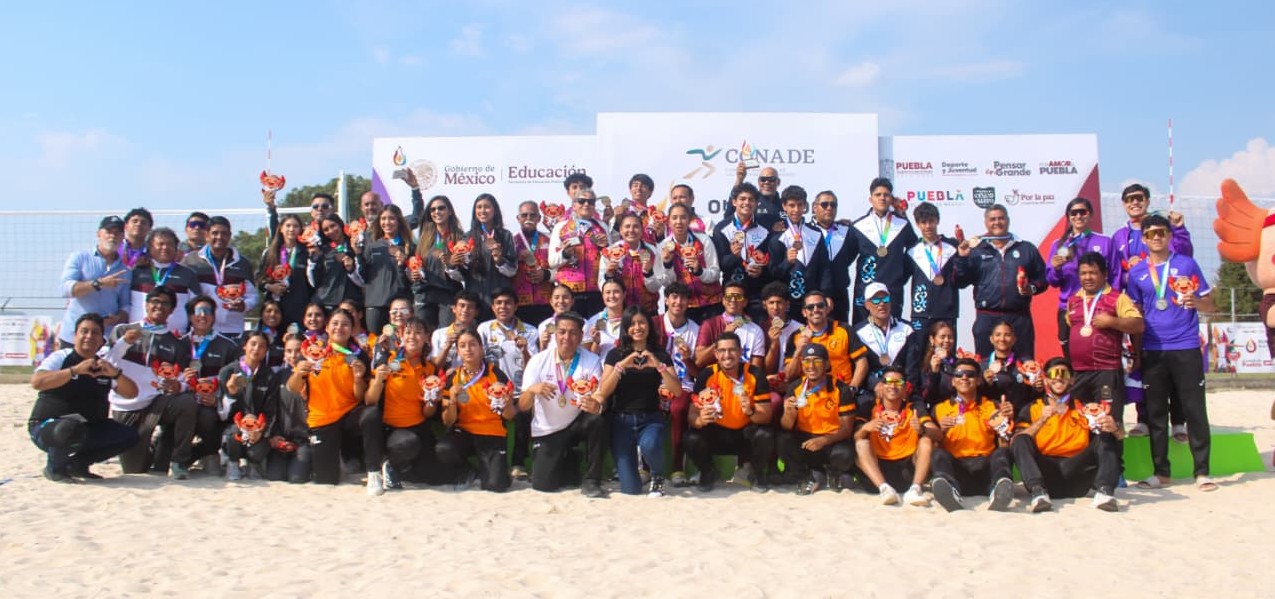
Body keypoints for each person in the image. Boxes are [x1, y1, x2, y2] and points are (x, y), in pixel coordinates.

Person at [1125, 214, 1216, 492]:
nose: (1156, 237)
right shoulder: (1138, 273)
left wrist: (1196, 301)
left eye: (1161, 232)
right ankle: (1161, 473)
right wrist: (1137, 354)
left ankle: (1202, 472)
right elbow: (1135, 317)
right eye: (1151, 233)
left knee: (1195, 410)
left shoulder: (1186, 264)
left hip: (1186, 346)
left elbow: (1210, 304)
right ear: (1144, 239)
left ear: (1169, 235)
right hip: (1153, 349)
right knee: (1155, 414)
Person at [1110, 183, 1192, 438]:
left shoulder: (1161, 226)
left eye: (1139, 198)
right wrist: (1129, 273)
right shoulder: (1119, 237)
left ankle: (1178, 421)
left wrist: (1179, 229)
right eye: (1129, 199)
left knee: (1175, 362)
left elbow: (1184, 256)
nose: (1134, 202)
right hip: (1137, 309)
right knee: (1142, 364)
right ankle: (1144, 419)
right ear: (1124, 204)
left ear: (1146, 200)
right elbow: (1114, 273)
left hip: (1167, 308)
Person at [28, 313, 140, 482]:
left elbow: (131, 393)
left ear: (101, 339)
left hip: (87, 428)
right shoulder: (62, 357)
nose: (89, 336)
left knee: (128, 435)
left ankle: (77, 464)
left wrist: (115, 374)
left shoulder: (103, 365)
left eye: (95, 333)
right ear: (75, 336)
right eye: (84, 331)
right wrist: (74, 371)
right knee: (67, 428)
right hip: (48, 426)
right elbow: (37, 382)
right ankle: (55, 469)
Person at [103, 286, 198, 479]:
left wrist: (179, 385)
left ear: (172, 310)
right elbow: (104, 363)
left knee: (186, 402)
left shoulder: (176, 342)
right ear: (146, 305)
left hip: (157, 403)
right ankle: (154, 445)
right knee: (135, 470)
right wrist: (124, 343)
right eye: (155, 302)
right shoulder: (122, 330)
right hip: (126, 406)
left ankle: (179, 460)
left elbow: (183, 378)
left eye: (165, 303)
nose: (159, 306)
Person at [285, 308, 384, 494]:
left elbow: (360, 397)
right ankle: (339, 459)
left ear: (352, 328)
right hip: (322, 420)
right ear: (327, 327)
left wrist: (357, 378)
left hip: (349, 416)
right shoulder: (311, 350)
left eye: (345, 324)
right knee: (326, 480)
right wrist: (299, 372)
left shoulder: (357, 355)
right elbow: (292, 388)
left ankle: (374, 472)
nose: (340, 328)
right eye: (335, 323)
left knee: (371, 414)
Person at [1011, 358, 1124, 512]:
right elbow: (1015, 441)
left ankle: (1105, 491)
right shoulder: (1033, 407)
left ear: (1072, 380)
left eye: (1063, 374)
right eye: (1052, 374)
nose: (1058, 377)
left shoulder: (1086, 408)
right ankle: (1038, 492)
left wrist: (1114, 429)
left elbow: (1121, 436)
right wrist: (1040, 421)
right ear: (1046, 379)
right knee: (1021, 439)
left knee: (1106, 435)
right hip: (1046, 474)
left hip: (1077, 472)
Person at [518, 312, 609, 497]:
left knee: (597, 421)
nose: (566, 337)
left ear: (581, 336)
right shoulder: (538, 361)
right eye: (562, 332)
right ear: (554, 334)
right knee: (543, 485)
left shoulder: (591, 360)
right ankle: (570, 459)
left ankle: (592, 480)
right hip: (548, 429)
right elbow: (522, 406)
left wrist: (596, 405)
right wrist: (532, 390)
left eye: (573, 333)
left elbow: (600, 398)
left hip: (576, 423)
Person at [595, 307, 682, 496]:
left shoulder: (660, 355)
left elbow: (677, 390)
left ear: (649, 326)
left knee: (650, 445)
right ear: (626, 328)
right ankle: (636, 478)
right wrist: (621, 367)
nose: (637, 327)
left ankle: (658, 476)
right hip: (621, 421)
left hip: (650, 418)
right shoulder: (615, 355)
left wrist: (659, 366)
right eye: (632, 324)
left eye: (642, 322)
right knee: (631, 489)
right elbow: (604, 391)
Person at [955, 204, 1047, 358]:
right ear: (986, 222)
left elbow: (1043, 278)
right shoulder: (976, 250)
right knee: (985, 368)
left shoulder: (1026, 248)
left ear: (1008, 220)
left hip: (1019, 317)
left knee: (1024, 366)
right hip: (987, 317)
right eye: (992, 219)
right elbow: (960, 282)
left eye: (1001, 218)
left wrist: (1031, 288)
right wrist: (963, 258)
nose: (997, 222)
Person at [686, 332, 775, 492]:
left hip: (745, 435)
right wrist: (700, 420)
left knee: (766, 435)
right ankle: (708, 472)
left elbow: (766, 416)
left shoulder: (754, 373)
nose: (727, 355)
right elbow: (692, 415)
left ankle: (757, 474)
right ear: (716, 354)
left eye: (732, 350)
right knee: (691, 438)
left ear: (740, 352)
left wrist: (750, 411)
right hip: (716, 433)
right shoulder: (707, 374)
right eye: (722, 351)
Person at [927, 357, 1015, 512]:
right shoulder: (939, 409)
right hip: (957, 470)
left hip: (985, 467)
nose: (964, 378)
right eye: (959, 374)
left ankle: (999, 491)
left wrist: (1004, 424)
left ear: (979, 380)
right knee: (938, 454)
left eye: (970, 374)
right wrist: (941, 431)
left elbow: (1004, 441)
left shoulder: (992, 405)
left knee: (1001, 453)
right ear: (952, 381)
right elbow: (932, 444)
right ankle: (951, 493)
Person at [436, 328, 518, 492]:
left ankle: (494, 471)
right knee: (443, 449)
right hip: (464, 433)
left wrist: (507, 403)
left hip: (492, 433)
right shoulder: (453, 377)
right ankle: (469, 470)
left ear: (481, 348)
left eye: (473, 344)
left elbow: (509, 416)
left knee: (495, 485)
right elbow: (448, 421)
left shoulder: (495, 373)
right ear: (458, 351)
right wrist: (452, 400)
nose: (468, 349)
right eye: (462, 345)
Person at [366, 316, 444, 489]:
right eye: (408, 332)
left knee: (433, 476)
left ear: (426, 337)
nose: (412, 337)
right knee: (408, 443)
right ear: (401, 336)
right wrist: (379, 380)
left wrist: (432, 401)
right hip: (393, 430)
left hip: (419, 426)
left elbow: (427, 414)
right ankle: (389, 462)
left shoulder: (429, 368)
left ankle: (401, 469)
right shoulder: (388, 360)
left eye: (418, 333)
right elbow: (370, 400)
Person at [1067, 252, 1144, 425]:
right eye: (1083, 273)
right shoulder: (1073, 301)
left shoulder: (1118, 298)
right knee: (1080, 424)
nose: (1088, 277)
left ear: (1105, 274)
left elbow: (1138, 325)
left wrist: (1112, 321)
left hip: (1107, 372)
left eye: (1093, 273)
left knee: (1108, 424)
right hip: (1079, 372)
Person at [172, 295, 242, 474]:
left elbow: (234, 383)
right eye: (198, 312)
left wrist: (216, 398)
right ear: (189, 317)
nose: (202, 316)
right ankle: (176, 454)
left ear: (214, 315)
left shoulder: (228, 346)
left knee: (207, 416)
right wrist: (182, 379)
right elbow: (167, 377)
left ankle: (208, 454)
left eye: (208, 311)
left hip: (212, 404)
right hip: (184, 400)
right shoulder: (178, 344)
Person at [1045, 198, 1119, 357]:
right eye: (1074, 212)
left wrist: (1112, 304)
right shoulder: (1059, 245)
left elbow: (1115, 274)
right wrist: (1056, 269)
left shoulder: (1105, 242)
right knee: (1072, 356)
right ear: (1069, 217)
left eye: (1082, 212)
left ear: (1090, 214)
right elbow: (1052, 281)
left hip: (1099, 307)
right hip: (1069, 308)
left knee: (1101, 352)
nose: (1078, 216)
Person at [478, 288, 539, 480]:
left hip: (520, 390)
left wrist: (525, 350)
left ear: (515, 306)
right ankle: (494, 462)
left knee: (523, 419)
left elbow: (534, 366)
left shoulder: (529, 331)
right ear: (493, 307)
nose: (503, 306)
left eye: (507, 303)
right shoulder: (484, 329)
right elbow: (479, 359)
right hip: (493, 391)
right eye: (498, 303)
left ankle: (518, 463)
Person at [778, 343, 855, 495]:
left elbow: (846, 430)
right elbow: (786, 427)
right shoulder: (795, 387)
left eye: (817, 361)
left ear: (827, 364)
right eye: (806, 361)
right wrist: (789, 412)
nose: (811, 366)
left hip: (832, 440)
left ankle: (832, 472)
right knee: (782, 439)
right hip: (806, 440)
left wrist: (824, 440)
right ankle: (806, 475)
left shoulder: (841, 388)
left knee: (844, 454)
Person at [854, 364, 936, 506]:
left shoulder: (914, 408)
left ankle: (915, 489)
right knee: (861, 443)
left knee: (927, 441)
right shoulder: (869, 406)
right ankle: (884, 489)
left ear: (905, 389)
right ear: (881, 386)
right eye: (888, 382)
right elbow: (855, 437)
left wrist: (922, 429)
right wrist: (866, 428)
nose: (893, 386)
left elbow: (937, 434)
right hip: (878, 471)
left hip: (907, 469)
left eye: (898, 382)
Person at [653, 281, 702, 485]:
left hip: (684, 385)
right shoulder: (655, 324)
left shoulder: (695, 330)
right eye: (674, 297)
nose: (678, 302)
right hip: (656, 383)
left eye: (682, 298)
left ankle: (677, 467)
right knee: (646, 405)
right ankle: (646, 467)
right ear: (666, 299)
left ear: (688, 303)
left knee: (679, 408)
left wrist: (688, 358)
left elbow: (698, 372)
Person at [57, 215, 131, 348]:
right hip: (74, 336)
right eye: (108, 232)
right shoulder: (79, 258)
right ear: (99, 234)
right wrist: (99, 283)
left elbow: (125, 305)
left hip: (106, 339)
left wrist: (118, 318)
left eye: (117, 233)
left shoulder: (125, 270)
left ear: (122, 237)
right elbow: (65, 289)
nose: (112, 236)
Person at [850, 178, 917, 321]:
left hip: (892, 290)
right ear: (871, 199)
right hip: (865, 291)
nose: (882, 198)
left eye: (886, 195)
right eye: (878, 194)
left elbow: (915, 252)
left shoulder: (902, 224)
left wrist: (900, 275)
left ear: (891, 199)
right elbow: (846, 258)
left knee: (893, 332)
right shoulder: (858, 226)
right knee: (861, 334)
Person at [182, 216, 259, 336]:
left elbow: (253, 296)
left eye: (224, 233)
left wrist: (244, 305)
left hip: (233, 329)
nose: (219, 237)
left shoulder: (243, 263)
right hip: (201, 328)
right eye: (215, 233)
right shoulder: (191, 260)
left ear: (229, 236)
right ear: (207, 235)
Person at [218, 331, 279, 481]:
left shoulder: (269, 375)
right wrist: (231, 394)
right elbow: (222, 414)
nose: (256, 349)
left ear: (266, 351)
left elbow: (271, 410)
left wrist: (260, 430)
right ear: (244, 346)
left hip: (258, 428)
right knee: (234, 436)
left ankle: (253, 463)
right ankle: (232, 462)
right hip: (234, 427)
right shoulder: (229, 372)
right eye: (253, 344)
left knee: (256, 452)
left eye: (262, 346)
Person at [712, 183, 774, 322]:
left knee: (758, 330)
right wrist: (734, 256)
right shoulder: (721, 228)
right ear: (734, 202)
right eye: (742, 199)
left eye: (751, 199)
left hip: (756, 293)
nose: (747, 202)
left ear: (756, 203)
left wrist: (761, 271)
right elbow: (720, 265)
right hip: (732, 293)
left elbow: (771, 262)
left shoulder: (765, 228)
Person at [549, 187, 616, 316]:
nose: (586, 204)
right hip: (569, 292)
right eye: (581, 201)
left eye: (591, 202)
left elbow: (612, 259)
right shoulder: (561, 227)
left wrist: (604, 247)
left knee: (594, 332)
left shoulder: (601, 226)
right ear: (574, 205)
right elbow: (552, 262)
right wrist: (565, 254)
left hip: (596, 290)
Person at [905, 202, 960, 347]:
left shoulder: (952, 247)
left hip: (946, 312)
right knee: (919, 354)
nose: (928, 226)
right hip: (920, 313)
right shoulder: (912, 250)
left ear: (937, 221)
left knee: (947, 355)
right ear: (917, 224)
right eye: (923, 222)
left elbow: (962, 276)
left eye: (931, 221)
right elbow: (902, 277)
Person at [127, 227, 200, 334]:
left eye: (170, 244)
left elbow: (196, 307)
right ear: (150, 248)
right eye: (160, 244)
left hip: (175, 339)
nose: (165, 247)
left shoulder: (188, 274)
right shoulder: (135, 272)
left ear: (176, 248)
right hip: (137, 336)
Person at [768, 185, 825, 322]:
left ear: (805, 206)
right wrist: (787, 262)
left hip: (811, 299)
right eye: (791, 205)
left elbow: (824, 268)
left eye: (800, 205)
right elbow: (772, 274)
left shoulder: (816, 233)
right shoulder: (776, 236)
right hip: (786, 301)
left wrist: (826, 294)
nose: (796, 210)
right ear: (784, 206)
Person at [785, 289, 864, 387]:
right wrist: (798, 352)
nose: (815, 310)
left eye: (820, 306)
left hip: (842, 391)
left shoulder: (844, 330)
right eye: (810, 307)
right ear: (804, 312)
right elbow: (789, 376)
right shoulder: (796, 336)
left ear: (827, 309)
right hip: (809, 395)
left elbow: (862, 362)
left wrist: (852, 389)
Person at [411, 195, 467, 330]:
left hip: (448, 295)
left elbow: (464, 272)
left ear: (450, 211)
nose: (437, 212)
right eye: (433, 209)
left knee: (445, 335)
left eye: (441, 208)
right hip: (425, 294)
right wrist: (415, 274)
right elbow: (418, 264)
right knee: (422, 335)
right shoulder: (424, 237)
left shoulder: (460, 237)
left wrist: (451, 264)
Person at [850, 283, 918, 392]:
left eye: (885, 299)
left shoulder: (906, 329)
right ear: (867, 305)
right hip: (872, 390)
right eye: (876, 300)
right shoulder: (857, 332)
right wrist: (875, 385)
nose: (881, 304)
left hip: (901, 388)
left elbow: (912, 368)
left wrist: (906, 389)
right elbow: (857, 368)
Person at [661, 203, 722, 323]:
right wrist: (667, 264)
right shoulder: (662, 247)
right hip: (683, 306)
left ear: (689, 220)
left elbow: (715, 273)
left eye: (683, 217)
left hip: (711, 303)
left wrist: (700, 271)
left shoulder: (704, 240)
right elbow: (666, 283)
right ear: (668, 221)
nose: (679, 222)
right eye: (674, 218)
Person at [358, 204, 414, 333]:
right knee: (378, 343)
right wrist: (358, 254)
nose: (387, 222)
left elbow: (414, 279)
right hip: (376, 306)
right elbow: (363, 276)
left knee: (401, 342)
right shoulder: (373, 246)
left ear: (399, 221)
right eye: (383, 219)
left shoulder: (409, 247)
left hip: (401, 307)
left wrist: (404, 264)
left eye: (391, 218)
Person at [601, 212, 670, 314]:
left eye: (636, 227)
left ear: (642, 230)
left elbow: (655, 288)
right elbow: (601, 284)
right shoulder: (609, 252)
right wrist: (609, 275)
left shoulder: (652, 251)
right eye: (627, 227)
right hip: (620, 311)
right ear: (620, 230)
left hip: (648, 311)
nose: (631, 230)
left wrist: (648, 273)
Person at [463, 194, 519, 320]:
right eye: (479, 207)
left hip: (499, 300)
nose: (482, 211)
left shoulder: (505, 236)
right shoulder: (467, 238)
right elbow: (462, 272)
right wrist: (454, 262)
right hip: (476, 299)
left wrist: (499, 260)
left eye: (487, 207)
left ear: (495, 211)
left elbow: (512, 271)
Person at [268, 334, 312, 483]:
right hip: (282, 438)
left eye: (298, 350)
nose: (293, 355)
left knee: (297, 478)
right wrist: (273, 436)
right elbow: (272, 409)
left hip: (305, 440)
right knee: (275, 477)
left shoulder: (315, 374)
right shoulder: (278, 376)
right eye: (289, 351)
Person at [809, 191, 858, 324]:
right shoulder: (805, 231)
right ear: (815, 207)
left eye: (833, 205)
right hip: (813, 295)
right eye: (824, 204)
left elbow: (851, 254)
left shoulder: (847, 231)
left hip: (839, 296)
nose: (829, 208)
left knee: (841, 336)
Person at [694, 281, 766, 370]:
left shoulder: (756, 330)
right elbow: (699, 361)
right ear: (723, 300)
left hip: (744, 381)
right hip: (715, 380)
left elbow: (756, 369)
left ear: (745, 302)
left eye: (738, 297)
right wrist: (724, 336)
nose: (733, 300)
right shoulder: (709, 324)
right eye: (729, 297)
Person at [257, 213, 312, 329]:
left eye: (295, 226)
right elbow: (259, 278)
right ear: (281, 228)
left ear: (300, 230)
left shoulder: (306, 252)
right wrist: (270, 287)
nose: (291, 229)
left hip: (298, 307)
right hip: (274, 307)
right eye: (288, 226)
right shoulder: (270, 252)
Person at [305, 214, 364, 311]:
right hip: (326, 302)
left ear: (340, 224)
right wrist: (313, 259)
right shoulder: (323, 250)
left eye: (333, 226)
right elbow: (314, 281)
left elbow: (364, 279)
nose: (331, 231)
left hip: (350, 302)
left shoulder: (355, 245)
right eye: (326, 229)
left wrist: (351, 269)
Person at [511, 200, 555, 325]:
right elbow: (504, 270)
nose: (528, 218)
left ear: (539, 218)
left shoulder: (550, 239)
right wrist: (515, 259)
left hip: (546, 302)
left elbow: (562, 269)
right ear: (518, 218)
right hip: (518, 304)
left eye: (532, 215)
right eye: (524, 215)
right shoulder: (511, 241)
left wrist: (546, 275)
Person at [981, 321, 1039, 411]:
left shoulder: (1026, 364)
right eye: (998, 335)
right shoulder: (983, 366)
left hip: (1020, 417)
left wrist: (1039, 388)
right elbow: (977, 397)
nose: (1002, 339)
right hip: (992, 418)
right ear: (991, 339)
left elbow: (1034, 396)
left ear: (1014, 339)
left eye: (1007, 335)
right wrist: (985, 383)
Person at [761, 282, 804, 384]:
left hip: (794, 381)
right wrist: (774, 343)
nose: (775, 307)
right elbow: (766, 370)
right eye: (771, 303)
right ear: (764, 305)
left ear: (787, 304)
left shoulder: (800, 329)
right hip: (769, 381)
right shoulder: (760, 329)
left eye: (779, 302)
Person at [431, 291, 482, 370]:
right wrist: (447, 347)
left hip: (473, 380)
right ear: (454, 308)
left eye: (470, 307)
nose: (465, 310)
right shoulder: (439, 334)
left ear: (476, 312)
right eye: (462, 306)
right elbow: (434, 367)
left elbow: (483, 363)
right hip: (446, 380)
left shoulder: (480, 334)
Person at [917, 320, 958, 408]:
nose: (947, 340)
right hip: (936, 410)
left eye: (950, 337)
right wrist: (934, 373)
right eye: (942, 337)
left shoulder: (957, 363)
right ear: (932, 339)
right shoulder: (924, 364)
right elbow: (926, 395)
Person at [584, 279, 627, 360]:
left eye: (616, 292)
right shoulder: (595, 321)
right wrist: (596, 342)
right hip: (603, 370)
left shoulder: (632, 319)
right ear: (602, 295)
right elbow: (589, 358)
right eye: (608, 292)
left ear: (624, 294)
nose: (612, 296)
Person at [537, 284, 575, 356]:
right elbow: (541, 356)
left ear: (572, 301)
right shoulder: (544, 326)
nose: (561, 301)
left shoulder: (582, 324)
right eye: (556, 298)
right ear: (551, 302)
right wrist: (543, 345)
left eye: (565, 297)